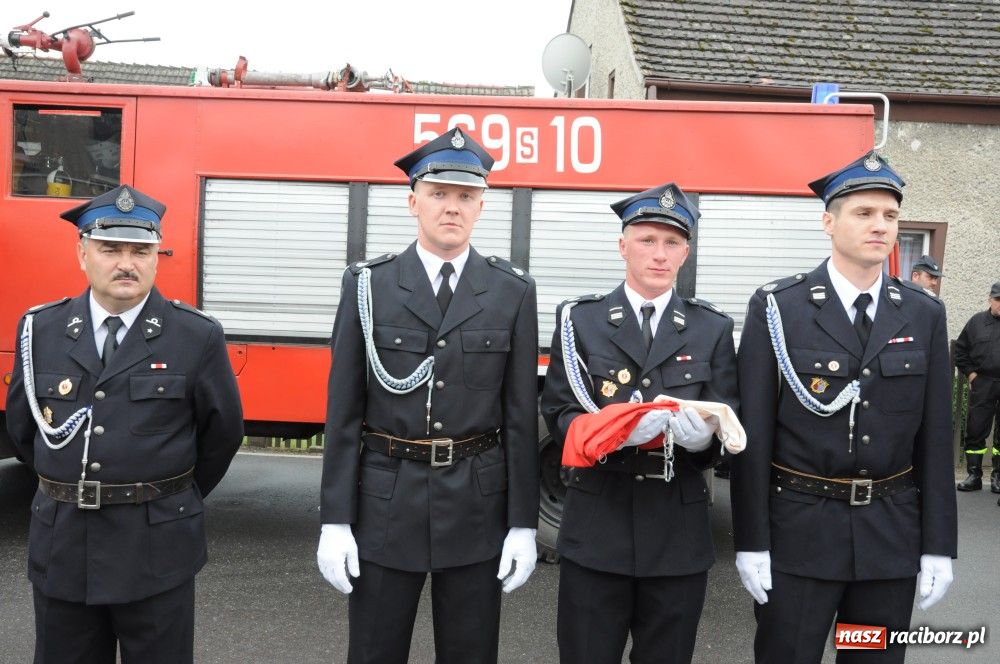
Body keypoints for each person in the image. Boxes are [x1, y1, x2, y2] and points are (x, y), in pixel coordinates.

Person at [316, 127, 539, 664]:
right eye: (439, 194)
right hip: (386, 501)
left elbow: (519, 420)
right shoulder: (369, 285)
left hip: (475, 507)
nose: (452, 208)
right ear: (413, 200)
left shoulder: (511, 290)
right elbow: (344, 412)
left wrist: (523, 524)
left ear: (482, 206)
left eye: (466, 196)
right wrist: (335, 519)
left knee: (470, 653)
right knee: (374, 651)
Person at [731, 152, 958, 663]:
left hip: (888, 542)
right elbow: (753, 435)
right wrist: (752, 540)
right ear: (828, 222)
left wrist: (938, 544)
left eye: (890, 215)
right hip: (800, 537)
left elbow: (936, 439)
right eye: (864, 213)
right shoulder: (779, 308)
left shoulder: (923, 314)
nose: (880, 225)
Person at [5, 185, 244, 664]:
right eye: (109, 248)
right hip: (64, 548)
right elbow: (26, 431)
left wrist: (166, 495)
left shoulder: (195, 335)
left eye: (141, 250)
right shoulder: (41, 330)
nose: (126, 263)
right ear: (82, 253)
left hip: (156, 549)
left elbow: (222, 435)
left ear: (157, 257)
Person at [540, 183, 737, 664]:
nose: (659, 254)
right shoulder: (580, 320)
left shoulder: (712, 327)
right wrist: (618, 432)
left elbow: (728, 421)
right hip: (598, 523)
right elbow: (561, 412)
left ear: (686, 252)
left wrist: (702, 443)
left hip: (678, 530)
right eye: (647, 240)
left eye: (672, 243)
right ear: (622, 244)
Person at [954, 281, 1000, 493]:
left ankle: (998, 476)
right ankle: (974, 475)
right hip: (983, 382)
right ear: (990, 299)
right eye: (998, 299)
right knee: (976, 428)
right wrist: (971, 375)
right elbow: (960, 350)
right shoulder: (976, 322)